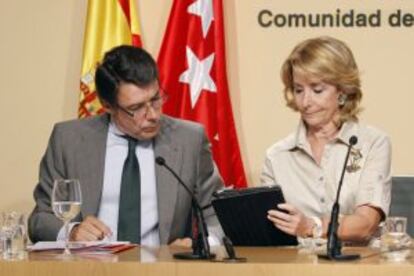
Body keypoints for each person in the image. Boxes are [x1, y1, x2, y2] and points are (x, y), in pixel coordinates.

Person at [28, 45, 224, 246]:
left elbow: (218, 213)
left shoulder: (188, 139)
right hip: (92, 268)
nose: (153, 115)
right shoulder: (68, 140)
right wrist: (72, 232)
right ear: (107, 105)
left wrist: (203, 244)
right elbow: (40, 219)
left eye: (156, 99)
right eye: (136, 108)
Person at [261, 36, 391, 242]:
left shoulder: (372, 143)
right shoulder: (277, 156)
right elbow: (271, 232)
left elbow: (366, 224)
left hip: (358, 268)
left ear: (342, 91)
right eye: (298, 90)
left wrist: (312, 226)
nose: (305, 102)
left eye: (317, 90)